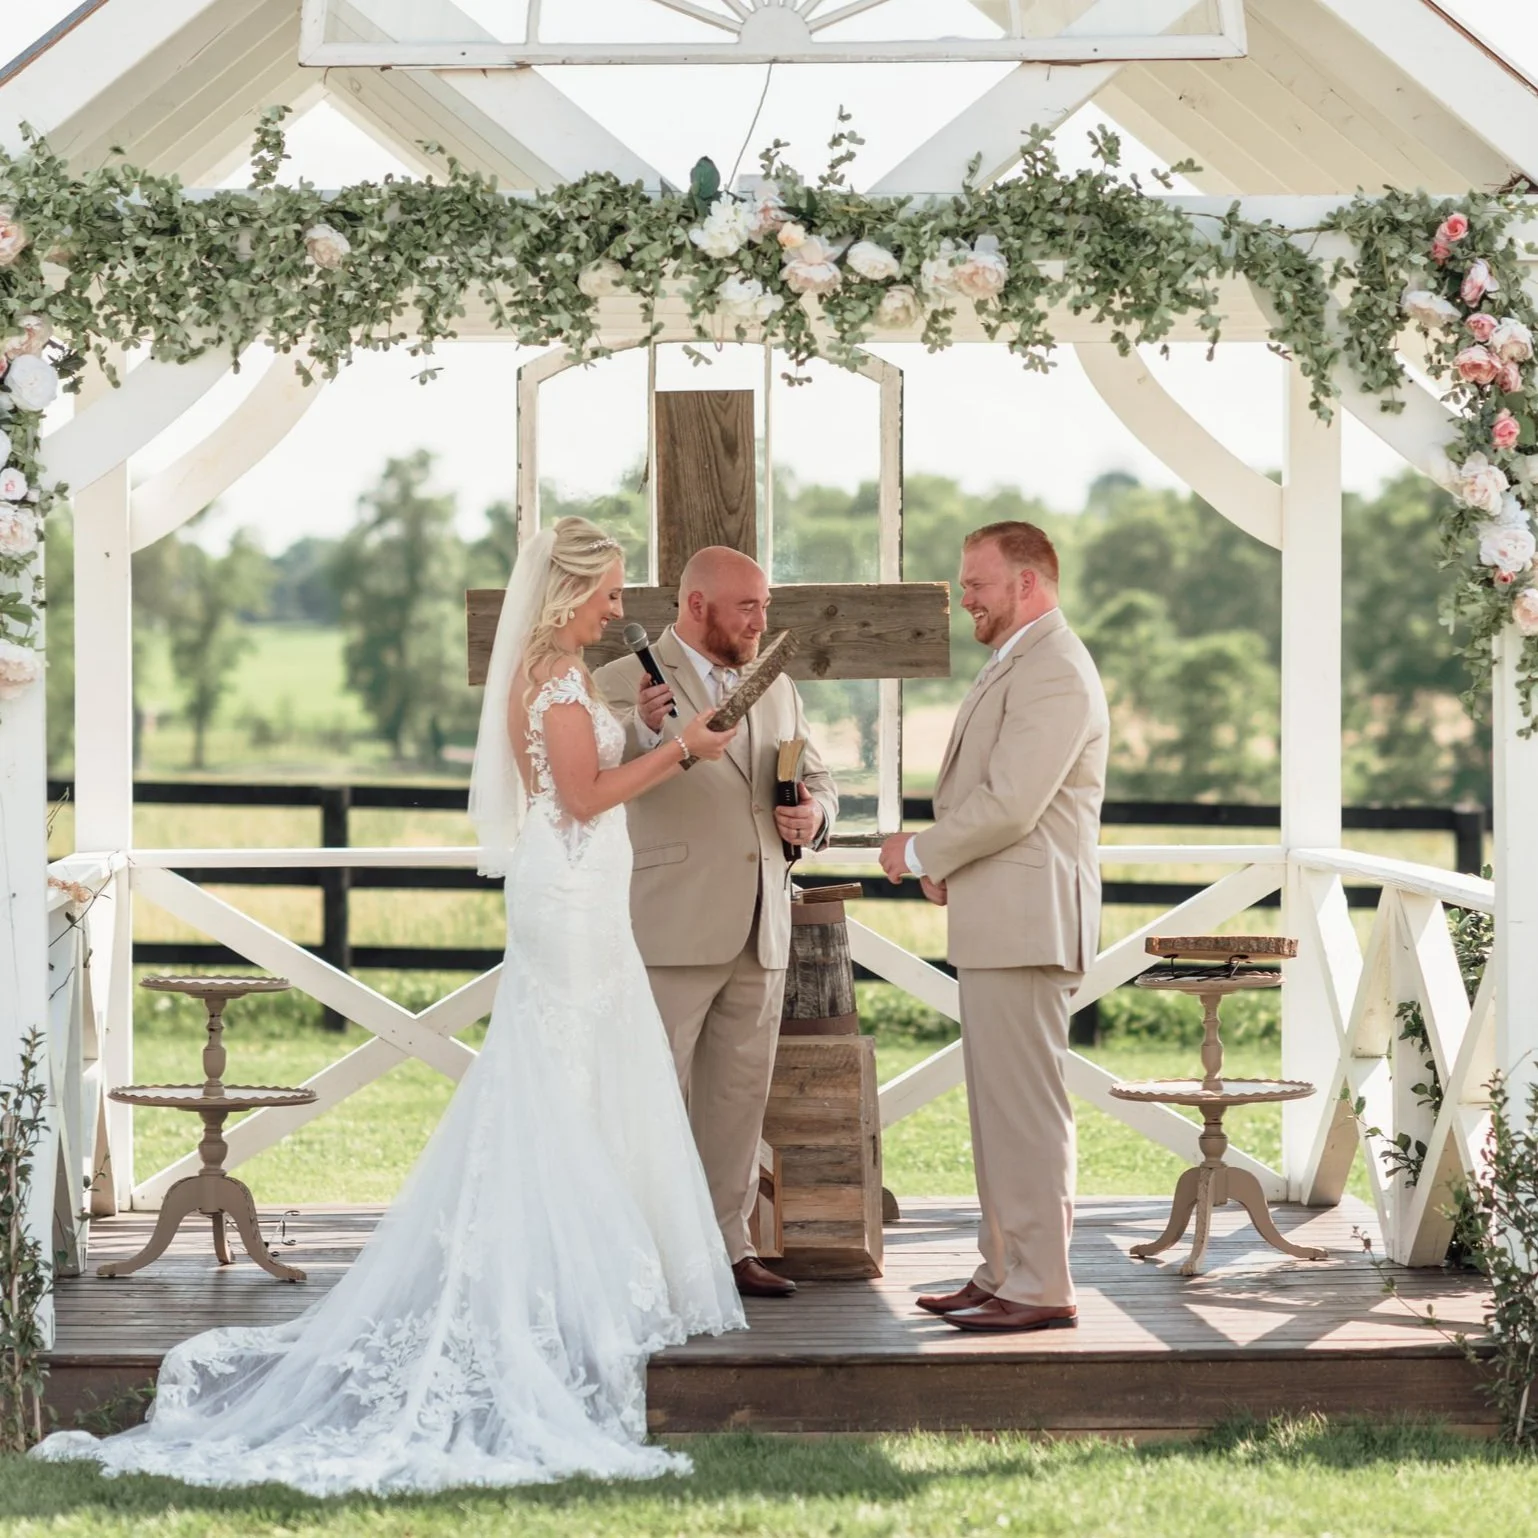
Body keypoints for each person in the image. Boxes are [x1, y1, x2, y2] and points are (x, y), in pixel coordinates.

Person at [32, 517, 746, 1494]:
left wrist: (659, 728)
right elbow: (580, 797)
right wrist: (685, 750)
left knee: (573, 1075)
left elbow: (579, 780)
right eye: (611, 591)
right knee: (563, 1074)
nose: (622, 608)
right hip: (570, 898)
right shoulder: (557, 679)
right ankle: (550, 1280)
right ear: (571, 592)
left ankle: (566, 1265)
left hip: (577, 895)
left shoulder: (556, 675)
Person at [879, 521, 1107, 1334]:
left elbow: (1012, 802)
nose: (963, 597)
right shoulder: (1019, 661)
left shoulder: (1054, 671)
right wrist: (952, 865)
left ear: (1029, 583)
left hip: (1028, 924)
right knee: (997, 1111)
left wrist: (920, 850)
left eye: (976, 583)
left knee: (1026, 1112)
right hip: (1001, 918)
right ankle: (1002, 1266)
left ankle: (1043, 1286)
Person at [594, 547, 838, 1299]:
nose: (763, 621)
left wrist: (815, 816)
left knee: (738, 1100)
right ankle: (642, 1256)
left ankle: (726, 1251)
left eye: (765, 606)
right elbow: (599, 785)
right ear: (696, 606)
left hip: (762, 918)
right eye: (748, 608)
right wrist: (646, 731)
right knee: (649, 1099)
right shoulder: (614, 684)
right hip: (667, 918)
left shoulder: (778, 686)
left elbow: (816, 772)